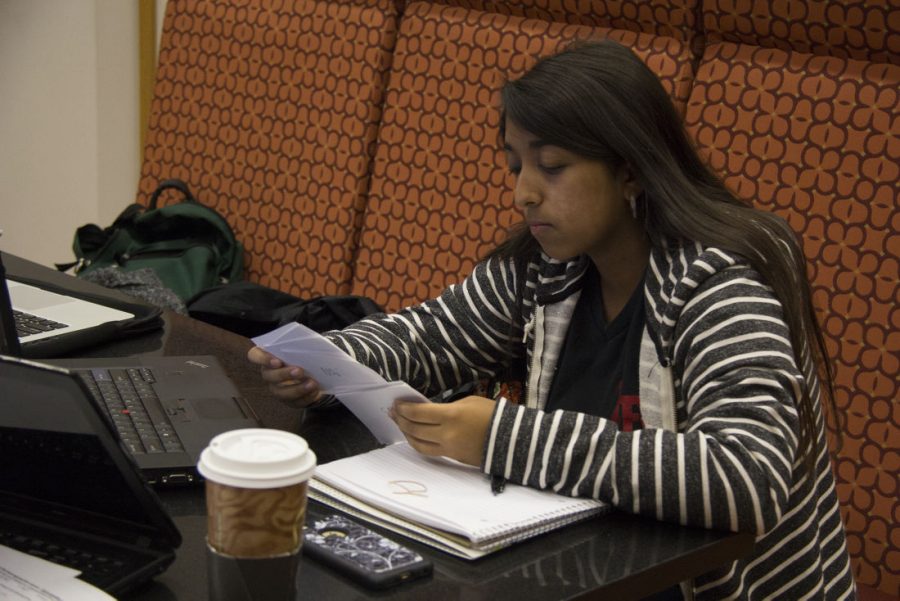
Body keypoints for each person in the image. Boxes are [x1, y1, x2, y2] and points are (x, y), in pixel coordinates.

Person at [248, 40, 855, 599]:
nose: (524, 192)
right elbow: (433, 333)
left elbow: (746, 475)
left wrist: (501, 438)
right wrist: (326, 361)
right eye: (516, 165)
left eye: (553, 166)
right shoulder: (547, 265)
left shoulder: (720, 283)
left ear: (630, 169)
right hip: (589, 570)